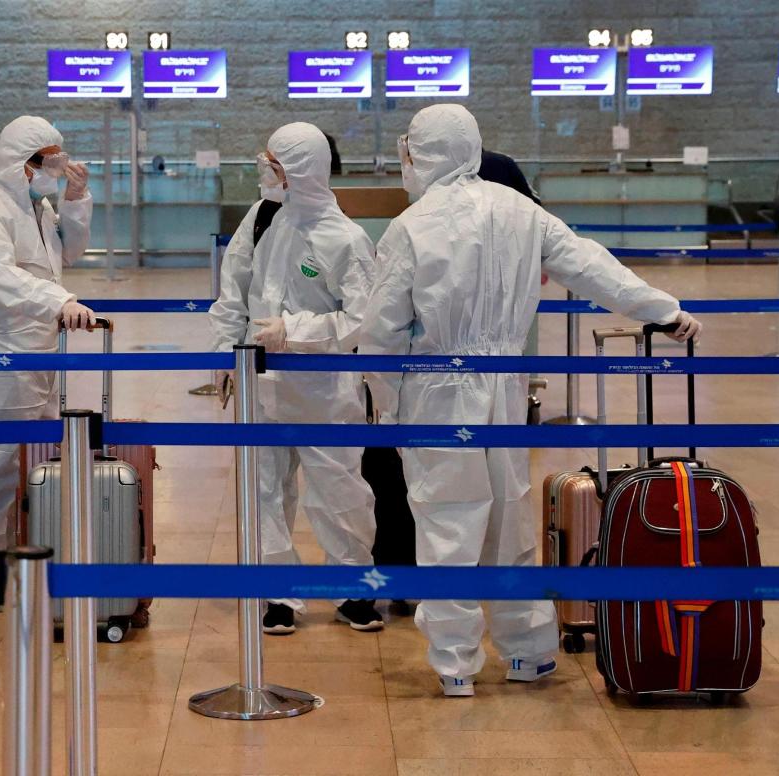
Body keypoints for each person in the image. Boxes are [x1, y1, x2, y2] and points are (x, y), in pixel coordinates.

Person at [361, 103, 701, 697]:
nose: (406, 162)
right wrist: (663, 310)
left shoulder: (412, 225)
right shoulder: (521, 211)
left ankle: (456, 664)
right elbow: (593, 268)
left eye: (410, 150)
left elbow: (382, 331)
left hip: (438, 391)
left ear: (424, 152)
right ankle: (527, 651)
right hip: (507, 386)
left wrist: (390, 403)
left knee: (447, 525)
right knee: (509, 519)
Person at [209, 122, 381, 635]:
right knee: (264, 489)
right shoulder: (262, 219)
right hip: (263, 384)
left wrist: (296, 331)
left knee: (339, 488)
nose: (265, 171)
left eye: (274, 163)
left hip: (325, 388)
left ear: (300, 170)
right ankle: (278, 593)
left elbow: (361, 319)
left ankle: (353, 589)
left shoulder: (346, 238)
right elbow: (232, 291)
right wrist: (224, 355)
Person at [0, 116, 95, 608]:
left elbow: (66, 255)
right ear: (22, 164)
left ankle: (20, 568)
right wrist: (57, 303)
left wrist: (74, 201)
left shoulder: (34, 203)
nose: (58, 170)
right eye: (50, 164)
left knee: (32, 465)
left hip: (37, 352)